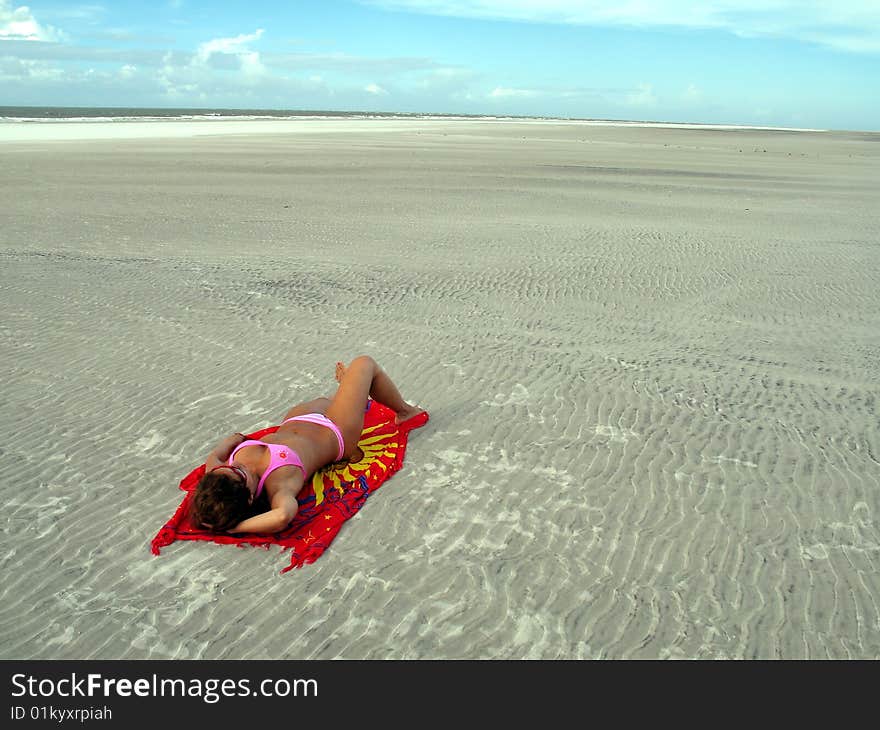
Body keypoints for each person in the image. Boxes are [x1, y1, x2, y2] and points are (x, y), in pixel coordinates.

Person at [190, 355, 424, 534]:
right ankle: (405, 412)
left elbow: (214, 460)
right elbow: (282, 516)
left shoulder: (221, 476)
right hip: (337, 431)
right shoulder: (278, 485)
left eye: (229, 467)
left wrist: (228, 443)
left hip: (304, 418)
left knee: (329, 399)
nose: (237, 467)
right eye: (240, 474)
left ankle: (350, 392)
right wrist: (236, 527)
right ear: (250, 497)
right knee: (364, 364)